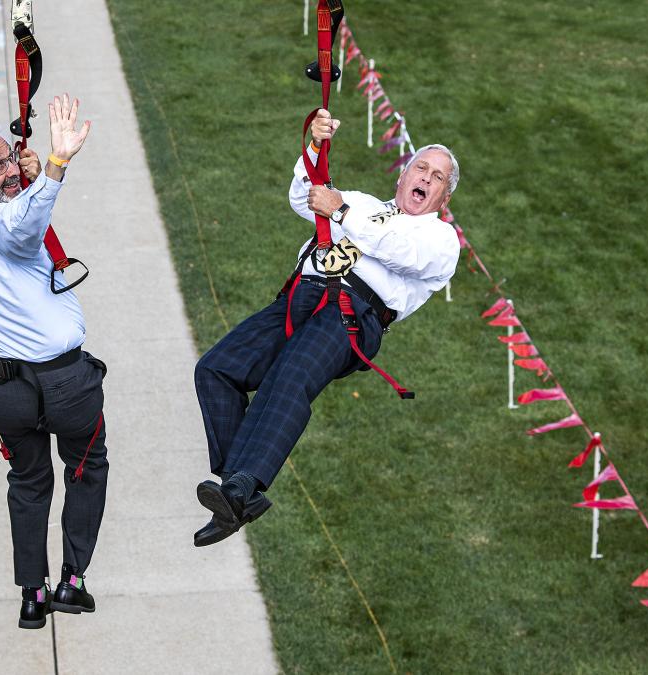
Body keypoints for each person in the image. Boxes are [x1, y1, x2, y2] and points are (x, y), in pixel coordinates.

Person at [192, 108, 461, 546]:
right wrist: (315, 147)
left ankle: (242, 486)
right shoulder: (367, 204)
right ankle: (238, 491)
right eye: (421, 168)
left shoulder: (439, 240)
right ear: (402, 176)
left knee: (290, 376)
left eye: (438, 178)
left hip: (353, 313)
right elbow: (307, 197)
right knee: (216, 369)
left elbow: (396, 251)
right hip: (302, 295)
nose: (426, 179)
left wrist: (341, 212)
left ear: (444, 197)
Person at [0, 94, 105, 629]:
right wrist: (54, 166)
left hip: (2, 390)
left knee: (29, 482)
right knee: (85, 469)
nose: (11, 169)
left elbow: (18, 217)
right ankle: (72, 581)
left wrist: (29, 180)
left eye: (11, 157)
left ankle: (32, 595)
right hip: (64, 384)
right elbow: (19, 228)